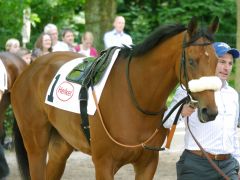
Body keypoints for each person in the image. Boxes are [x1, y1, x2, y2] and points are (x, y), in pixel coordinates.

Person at [163, 42, 240, 179]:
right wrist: (181, 111)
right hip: (196, 165)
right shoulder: (189, 89)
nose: (226, 67)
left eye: (230, 63)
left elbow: (233, 133)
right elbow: (166, 122)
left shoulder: (233, 95)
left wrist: (238, 162)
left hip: (228, 166)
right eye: (221, 62)